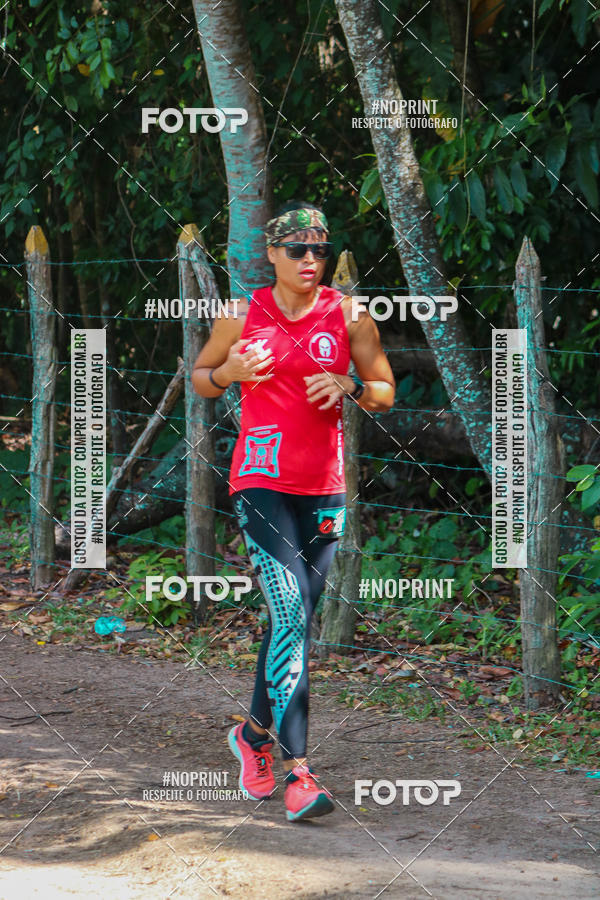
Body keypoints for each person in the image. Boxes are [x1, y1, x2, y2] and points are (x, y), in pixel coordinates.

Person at [192, 200, 395, 822]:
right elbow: (199, 376)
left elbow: (385, 389)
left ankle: (251, 736)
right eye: (297, 250)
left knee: (293, 620)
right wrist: (228, 369)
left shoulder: (350, 314)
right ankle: (300, 774)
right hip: (260, 477)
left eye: (319, 251)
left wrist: (351, 387)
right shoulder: (240, 311)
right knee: (290, 610)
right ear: (273, 254)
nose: (311, 260)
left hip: (324, 486)